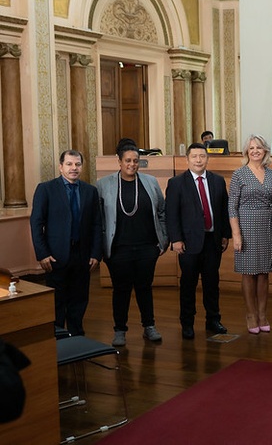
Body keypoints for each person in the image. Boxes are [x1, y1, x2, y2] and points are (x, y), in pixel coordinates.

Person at [97, 139, 169, 346]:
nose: (132, 164)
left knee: (145, 287)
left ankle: (149, 326)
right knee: (121, 290)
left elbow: (162, 211)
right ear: (119, 161)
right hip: (118, 249)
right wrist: (102, 248)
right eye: (127, 160)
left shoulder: (150, 182)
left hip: (148, 247)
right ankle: (120, 330)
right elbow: (99, 219)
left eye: (136, 160)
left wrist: (162, 240)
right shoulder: (104, 185)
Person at [30, 150, 102, 336]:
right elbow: (36, 223)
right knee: (57, 300)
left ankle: (77, 335)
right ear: (61, 167)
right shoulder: (46, 189)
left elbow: (96, 224)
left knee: (79, 298)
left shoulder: (90, 191)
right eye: (69, 164)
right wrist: (42, 253)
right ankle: (59, 338)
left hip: (82, 255)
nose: (74, 168)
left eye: (77, 164)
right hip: (55, 256)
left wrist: (95, 253)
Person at [165, 143, 231, 339]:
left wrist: (225, 234)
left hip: (213, 241)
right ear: (187, 160)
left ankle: (213, 320)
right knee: (188, 284)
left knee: (212, 283)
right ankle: (187, 323)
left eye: (202, 156)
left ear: (207, 159)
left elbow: (223, 210)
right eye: (194, 157)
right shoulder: (176, 183)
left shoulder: (218, 181)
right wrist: (175, 239)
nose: (198, 160)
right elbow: (171, 214)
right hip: (188, 243)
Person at [228, 135, 272, 334]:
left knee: (263, 273)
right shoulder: (239, 174)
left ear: (265, 151)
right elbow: (231, 206)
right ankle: (250, 315)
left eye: (259, 147)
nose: (255, 151)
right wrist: (236, 234)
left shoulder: (271, 174)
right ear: (246, 152)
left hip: (267, 226)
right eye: (251, 148)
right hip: (246, 226)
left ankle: (262, 314)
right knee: (249, 272)